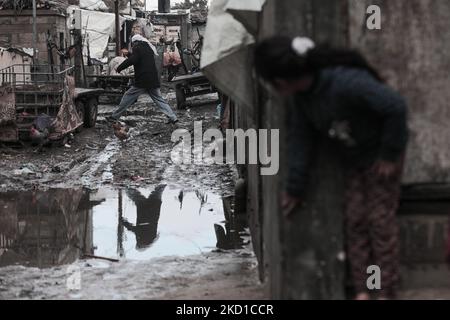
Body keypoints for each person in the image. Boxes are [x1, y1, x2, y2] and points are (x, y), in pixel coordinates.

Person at [254, 36, 409, 300]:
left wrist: (389, 154)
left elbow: (395, 107)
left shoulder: (346, 82)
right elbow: (300, 141)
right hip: (354, 159)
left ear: (281, 82)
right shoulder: (301, 98)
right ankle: (364, 290)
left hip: (380, 158)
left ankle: (385, 291)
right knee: (356, 221)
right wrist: (294, 187)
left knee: (379, 223)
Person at [107, 35, 178, 124]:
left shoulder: (138, 48)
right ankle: (173, 117)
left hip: (142, 80)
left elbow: (133, 60)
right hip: (152, 79)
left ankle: (114, 117)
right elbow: (137, 58)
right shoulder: (148, 48)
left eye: (133, 43)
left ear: (135, 42)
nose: (133, 45)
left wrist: (119, 68)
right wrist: (128, 54)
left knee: (127, 97)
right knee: (159, 100)